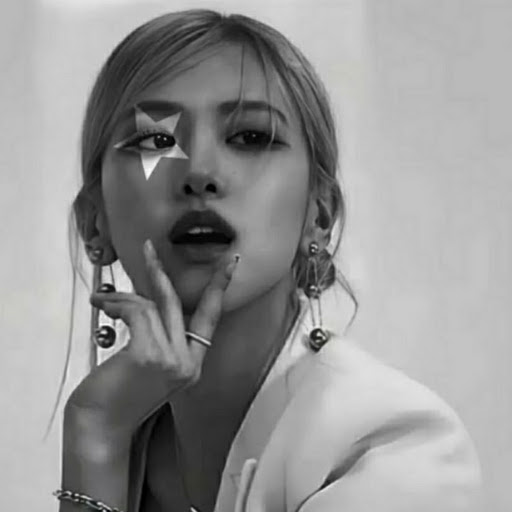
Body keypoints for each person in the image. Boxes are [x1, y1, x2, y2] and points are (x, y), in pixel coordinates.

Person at [55, 9, 482, 512]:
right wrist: (94, 437)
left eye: (251, 137)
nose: (199, 173)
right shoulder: (118, 431)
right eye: (156, 140)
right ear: (94, 222)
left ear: (319, 215)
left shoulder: (392, 446)